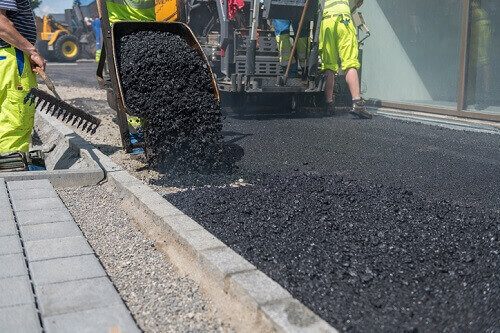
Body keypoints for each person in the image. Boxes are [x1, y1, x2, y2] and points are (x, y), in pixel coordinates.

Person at [0, 0, 46, 154]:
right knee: (15, 121)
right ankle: (11, 171)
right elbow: (1, 24)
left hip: (7, 56)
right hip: (11, 57)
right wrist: (31, 51)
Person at [319, 0, 371, 118]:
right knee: (349, 62)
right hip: (344, 20)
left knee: (329, 66)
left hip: (327, 21)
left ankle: (329, 105)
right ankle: (357, 104)